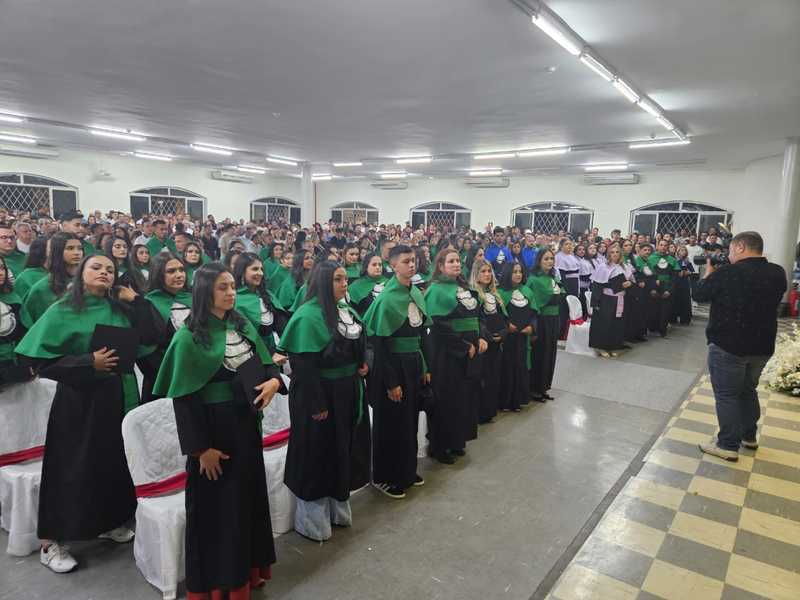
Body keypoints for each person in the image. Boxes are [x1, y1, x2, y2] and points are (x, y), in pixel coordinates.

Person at [16, 253, 159, 573]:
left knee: (110, 462)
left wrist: (138, 301)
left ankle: (106, 521)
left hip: (115, 396)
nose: (104, 273)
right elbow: (37, 361)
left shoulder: (119, 309)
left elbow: (150, 339)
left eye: (110, 270)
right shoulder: (63, 309)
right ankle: (51, 542)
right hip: (77, 400)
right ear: (81, 273)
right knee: (71, 467)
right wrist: (86, 363)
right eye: (96, 267)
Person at [153, 263, 283, 599]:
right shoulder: (188, 336)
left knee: (247, 503)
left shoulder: (241, 324)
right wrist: (200, 450)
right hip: (214, 435)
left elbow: (266, 363)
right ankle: (220, 582)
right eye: (222, 288)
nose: (230, 293)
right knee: (220, 512)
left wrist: (273, 381)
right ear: (205, 292)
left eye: (232, 287)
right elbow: (183, 399)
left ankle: (247, 571)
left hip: (245, 425)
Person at [277, 261, 369, 541]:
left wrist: (362, 364)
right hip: (319, 396)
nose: (345, 284)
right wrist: (317, 405)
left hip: (347, 391)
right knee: (318, 453)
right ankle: (312, 521)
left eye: (345, 279)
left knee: (342, 449)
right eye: (338, 279)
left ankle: (338, 508)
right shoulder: (307, 316)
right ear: (322, 283)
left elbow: (357, 345)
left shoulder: (346, 311)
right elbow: (303, 367)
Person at [690, 232, 787, 462]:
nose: (730, 255)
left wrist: (710, 270)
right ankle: (748, 436)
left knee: (727, 395)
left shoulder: (728, 272)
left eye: (732, 250)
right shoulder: (777, 272)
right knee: (747, 390)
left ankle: (727, 444)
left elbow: (700, 294)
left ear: (741, 247)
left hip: (728, 344)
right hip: (762, 345)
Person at [363, 244, 430, 499]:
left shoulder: (415, 293)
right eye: (405, 261)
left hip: (412, 362)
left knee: (409, 419)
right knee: (390, 423)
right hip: (391, 366)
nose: (411, 265)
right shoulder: (387, 299)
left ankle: (406, 469)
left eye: (413, 260)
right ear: (393, 266)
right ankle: (385, 475)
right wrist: (391, 382)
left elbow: (420, 336)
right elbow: (379, 345)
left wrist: (424, 366)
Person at [424, 249, 487, 464]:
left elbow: (475, 316)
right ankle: (439, 446)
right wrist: (462, 345)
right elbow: (439, 325)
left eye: (458, 260)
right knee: (445, 399)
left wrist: (479, 338)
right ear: (440, 266)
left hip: (469, 351)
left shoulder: (464, 288)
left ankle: (457, 441)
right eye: (450, 261)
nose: (456, 264)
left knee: (463, 399)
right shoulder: (436, 290)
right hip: (447, 354)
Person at [140, 252, 193, 402]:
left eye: (181, 270)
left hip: (197, 374)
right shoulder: (148, 304)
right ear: (158, 274)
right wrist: (173, 373)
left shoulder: (193, 298)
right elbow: (146, 351)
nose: (179, 275)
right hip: (164, 378)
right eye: (171, 271)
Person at [470, 257, 507, 422]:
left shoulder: (495, 295)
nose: (487, 275)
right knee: (481, 378)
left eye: (489, 272)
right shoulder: (473, 295)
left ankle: (490, 410)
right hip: (482, 344)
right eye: (483, 271)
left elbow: (504, 317)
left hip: (496, 343)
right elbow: (475, 320)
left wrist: (503, 333)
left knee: (493, 377)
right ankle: (479, 412)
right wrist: (487, 336)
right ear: (476, 274)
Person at [496, 261, 536, 409]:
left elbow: (534, 314)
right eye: (514, 272)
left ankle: (518, 400)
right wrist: (507, 326)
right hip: (507, 338)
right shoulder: (500, 293)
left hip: (522, 338)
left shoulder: (527, 291)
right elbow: (497, 316)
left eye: (520, 272)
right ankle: (505, 401)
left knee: (520, 366)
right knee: (507, 367)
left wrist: (532, 327)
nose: (518, 274)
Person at [21, 233, 84, 327]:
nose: (77, 252)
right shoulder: (41, 289)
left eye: (79, 248)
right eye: (70, 248)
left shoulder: (87, 282)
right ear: (57, 251)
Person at [233, 252, 288, 357]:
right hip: (250, 357)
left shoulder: (267, 295)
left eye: (261, 269)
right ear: (242, 271)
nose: (260, 273)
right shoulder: (235, 299)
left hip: (273, 352)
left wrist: (281, 350)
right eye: (255, 269)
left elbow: (281, 326)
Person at [527, 249, 564, 401]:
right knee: (539, 354)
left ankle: (544, 387)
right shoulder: (533, 279)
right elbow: (531, 301)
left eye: (551, 258)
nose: (550, 261)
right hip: (541, 320)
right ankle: (534, 388)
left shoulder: (553, 277)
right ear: (539, 261)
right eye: (546, 259)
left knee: (550, 354)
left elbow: (561, 291)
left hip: (554, 319)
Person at [589, 245, 632, 357]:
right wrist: (596, 302)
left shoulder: (625, 267)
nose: (615, 254)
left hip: (621, 298)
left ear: (620, 254)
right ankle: (601, 347)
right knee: (604, 324)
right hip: (606, 299)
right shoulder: (603, 267)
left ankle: (613, 346)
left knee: (617, 324)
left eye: (617, 252)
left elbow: (632, 281)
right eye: (612, 252)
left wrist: (630, 284)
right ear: (608, 254)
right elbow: (597, 285)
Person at [0, 256, 35, 386]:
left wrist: (27, 364)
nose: (1, 272)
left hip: (15, 365)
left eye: (2, 267)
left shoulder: (13, 297)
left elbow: (25, 332)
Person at [647, 239, 680, 337]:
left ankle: (663, 330)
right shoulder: (650, 258)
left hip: (667, 286)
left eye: (665, 245)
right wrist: (652, 288)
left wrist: (669, 290)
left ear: (668, 247)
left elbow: (675, 278)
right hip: (654, 286)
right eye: (661, 245)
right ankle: (652, 328)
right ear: (657, 246)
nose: (663, 247)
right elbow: (647, 275)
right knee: (653, 309)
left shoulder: (672, 260)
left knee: (665, 310)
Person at [622, 239, 648, 343]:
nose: (628, 247)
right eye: (626, 245)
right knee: (628, 312)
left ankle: (636, 334)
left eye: (630, 245)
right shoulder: (621, 257)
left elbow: (636, 271)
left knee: (636, 311)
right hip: (626, 286)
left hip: (635, 286)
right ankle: (628, 335)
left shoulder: (633, 257)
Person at [671, 246, 694, 325]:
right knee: (675, 300)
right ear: (678, 251)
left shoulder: (687, 261)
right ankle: (673, 318)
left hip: (684, 283)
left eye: (684, 250)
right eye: (681, 250)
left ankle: (685, 319)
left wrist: (687, 272)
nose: (683, 252)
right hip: (676, 282)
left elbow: (692, 271)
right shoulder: (674, 260)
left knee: (685, 300)